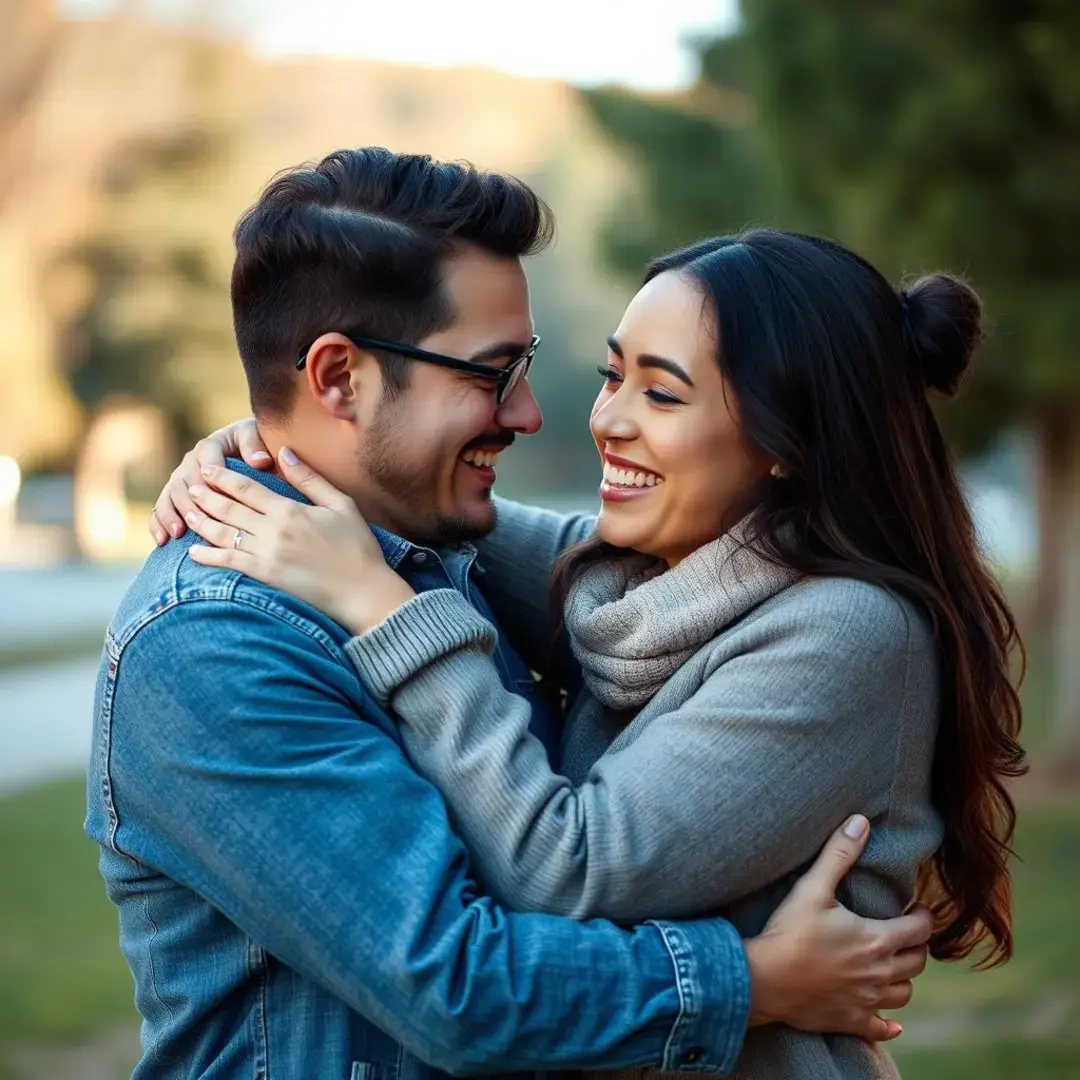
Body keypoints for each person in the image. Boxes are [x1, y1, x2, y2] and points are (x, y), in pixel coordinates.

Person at [92, 150, 930, 1080]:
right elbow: (460, 987)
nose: (537, 414)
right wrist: (752, 981)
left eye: (661, 390)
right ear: (338, 380)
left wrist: (297, 475)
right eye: (493, 372)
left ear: (789, 438)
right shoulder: (216, 642)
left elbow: (558, 869)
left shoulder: (434, 569)